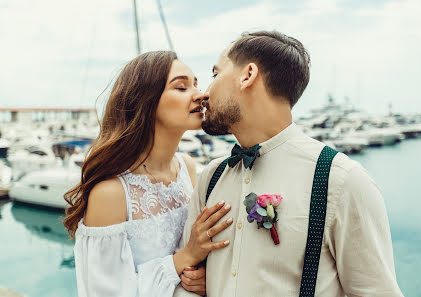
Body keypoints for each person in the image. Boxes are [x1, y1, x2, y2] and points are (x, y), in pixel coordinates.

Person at [174, 31, 403, 296]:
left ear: (247, 75)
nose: (204, 93)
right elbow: (186, 283)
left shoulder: (342, 180)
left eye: (215, 75)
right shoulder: (210, 177)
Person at [63, 51, 234, 297]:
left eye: (196, 84)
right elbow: (105, 292)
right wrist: (182, 260)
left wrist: (202, 275)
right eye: (182, 87)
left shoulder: (186, 167)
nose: (201, 94)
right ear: (147, 101)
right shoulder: (111, 192)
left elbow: (192, 260)